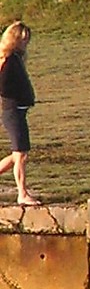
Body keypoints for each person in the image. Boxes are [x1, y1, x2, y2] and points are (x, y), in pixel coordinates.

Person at [0, 21, 40, 205]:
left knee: (18, 154)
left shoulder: (15, 58)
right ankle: (22, 194)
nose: (25, 43)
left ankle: (22, 192)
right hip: (13, 111)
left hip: (18, 111)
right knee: (21, 154)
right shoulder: (8, 59)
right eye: (22, 40)